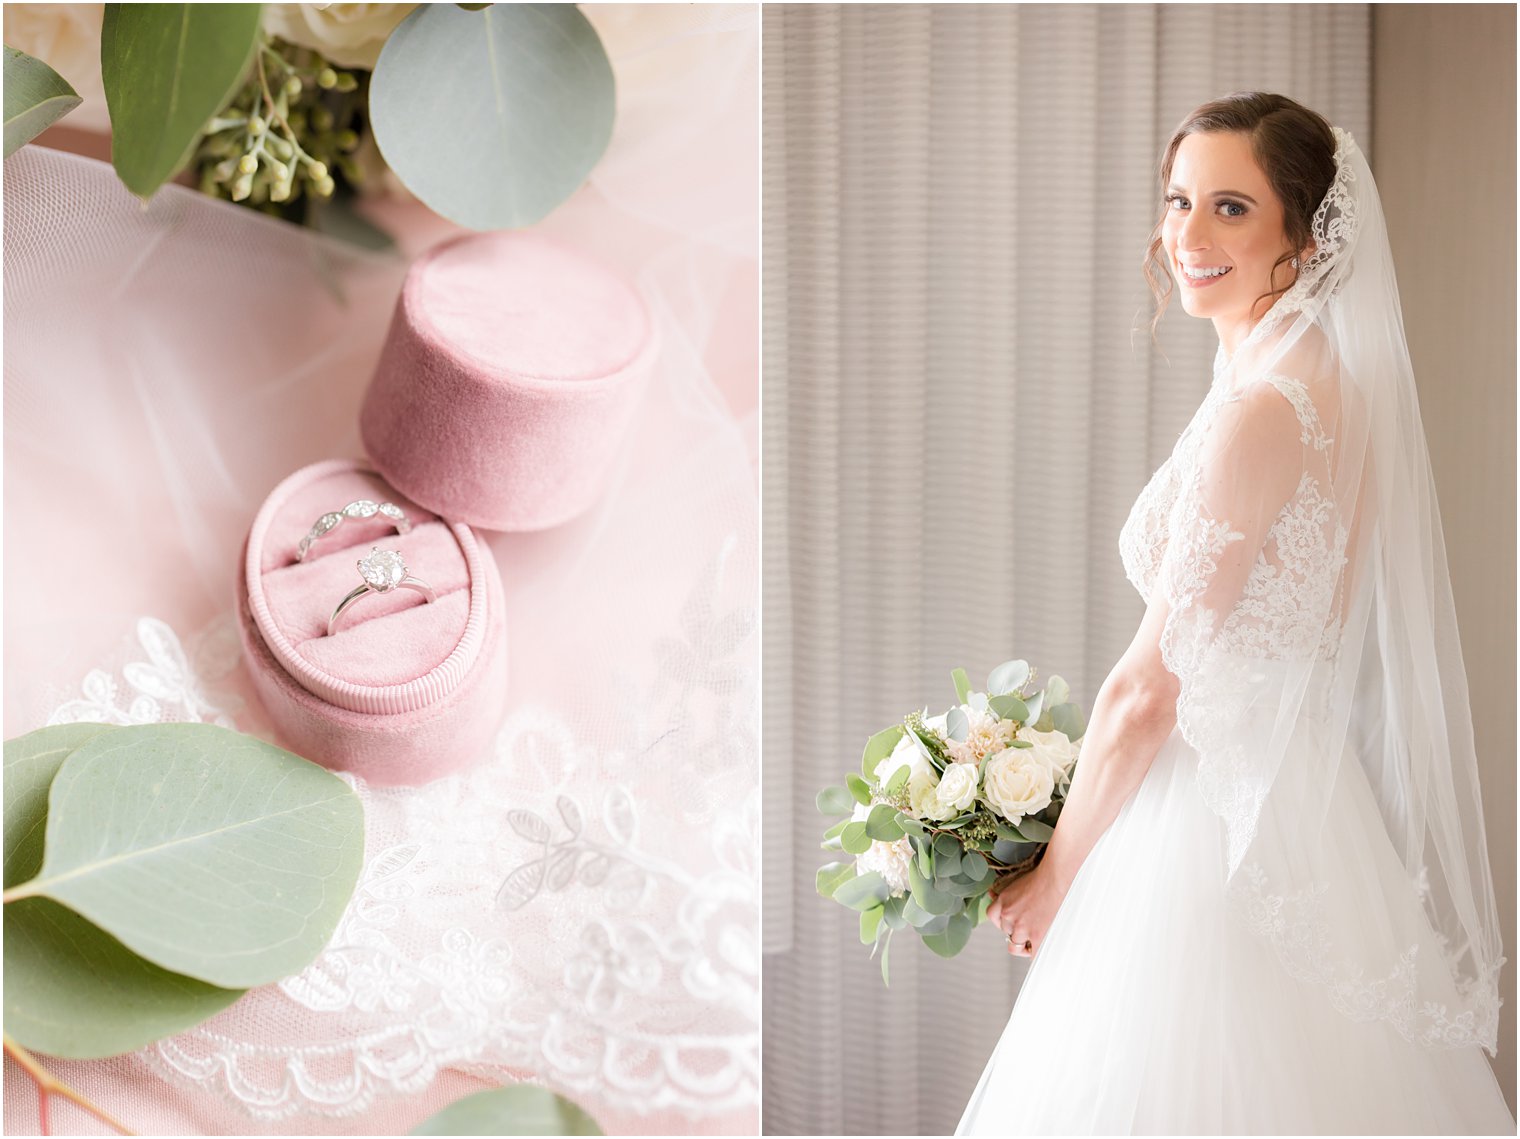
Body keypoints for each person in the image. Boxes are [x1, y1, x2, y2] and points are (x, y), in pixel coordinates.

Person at [956, 92, 1515, 1135]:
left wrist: (1054, 875)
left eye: (1227, 207)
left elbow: (1144, 690)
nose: (1185, 236)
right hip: (1305, 805)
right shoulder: (1320, 386)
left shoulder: (1262, 409)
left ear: (1300, 239)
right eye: (1176, 201)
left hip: (1207, 828)